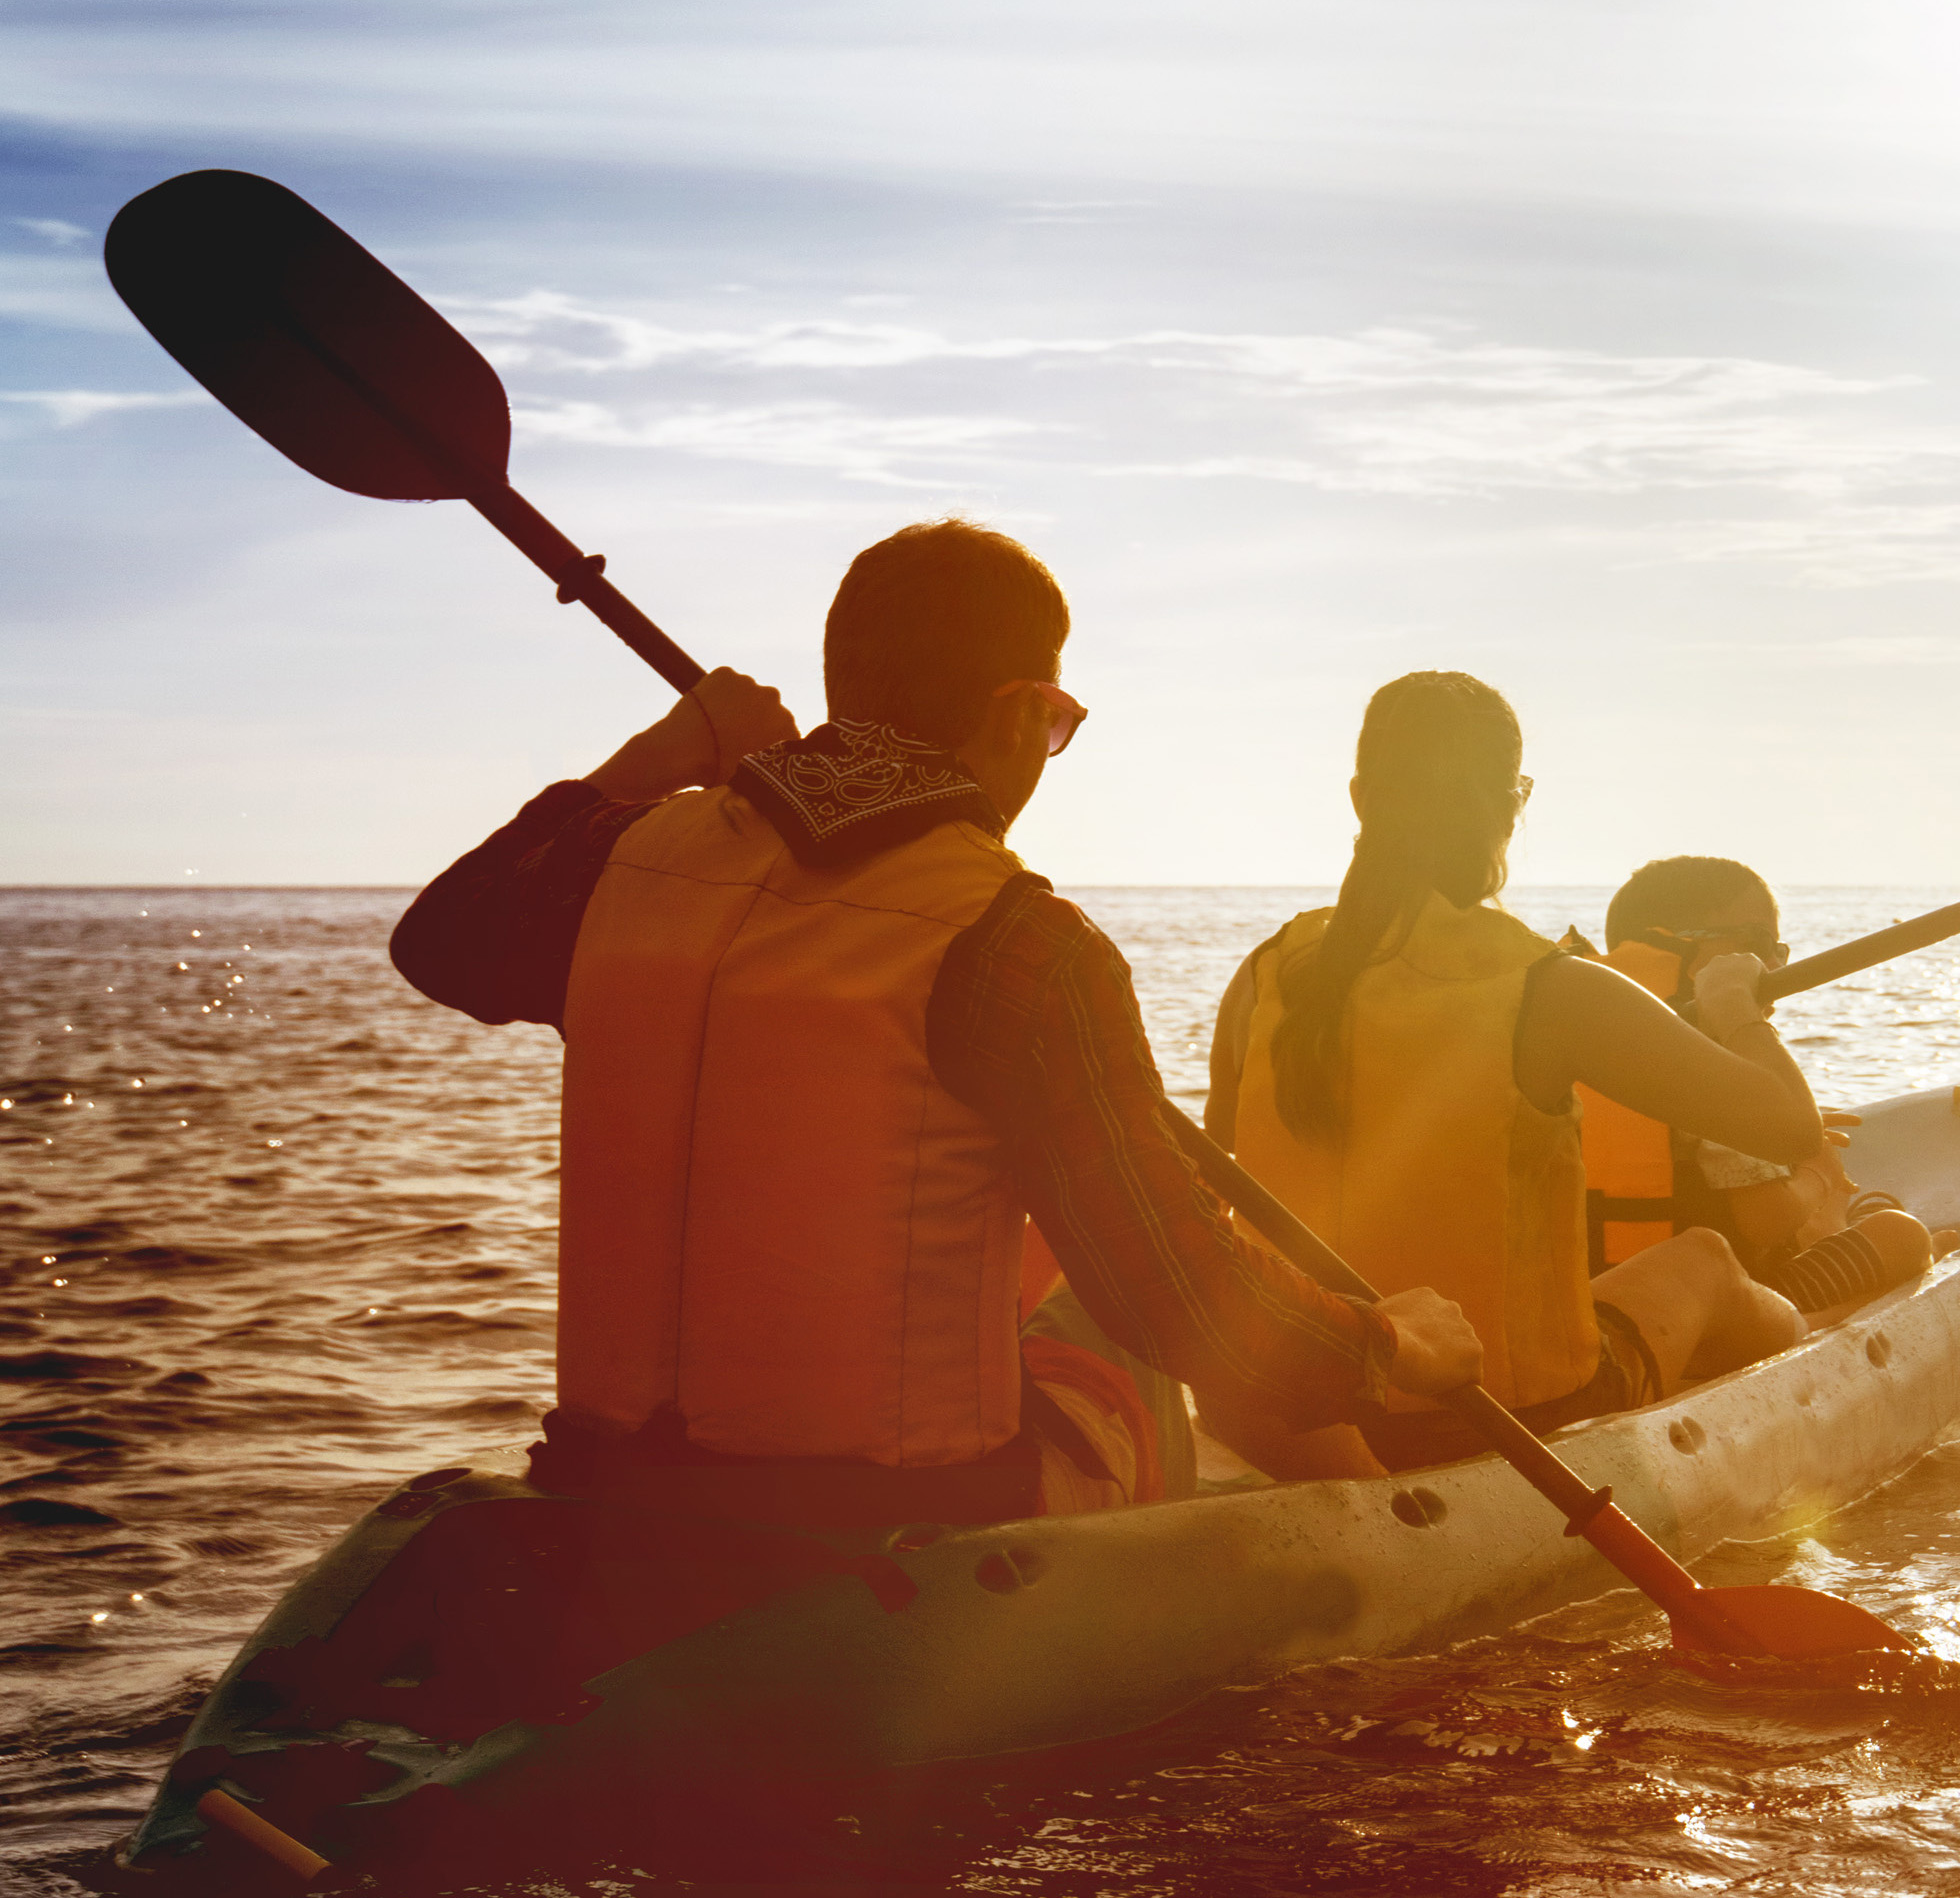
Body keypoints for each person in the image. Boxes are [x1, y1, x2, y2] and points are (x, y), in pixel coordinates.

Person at [392, 519, 1479, 1526]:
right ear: (1015, 710)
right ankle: (1403, 1537)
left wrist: (667, 751)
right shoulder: (1019, 941)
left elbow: (436, 938)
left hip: (608, 1494)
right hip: (892, 1522)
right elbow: (1179, 1298)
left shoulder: (620, 864)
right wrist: (1383, 1347)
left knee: (1043, 1221)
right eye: (1056, 722)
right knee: (1113, 1283)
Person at [1200, 673, 1814, 1476]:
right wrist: (1734, 1002)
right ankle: (1824, 1332)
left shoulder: (1265, 974)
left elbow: (1219, 1162)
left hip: (1304, 1408)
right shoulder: (1548, 988)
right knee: (1706, 1260)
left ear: (1361, 798)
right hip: (1500, 1421)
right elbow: (1787, 1126)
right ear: (1513, 804)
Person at [1582, 856, 1933, 1313]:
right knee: (1900, 1235)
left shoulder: (1584, 1032)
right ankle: (1835, 1308)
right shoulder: (1709, 1057)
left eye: (1778, 950)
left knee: (1823, 1221)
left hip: (1596, 1296)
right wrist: (1818, 1174)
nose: (1769, 964)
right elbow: (1764, 1221)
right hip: (1714, 1310)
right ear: (1682, 948)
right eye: (1753, 942)